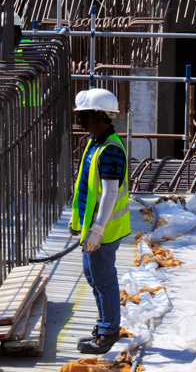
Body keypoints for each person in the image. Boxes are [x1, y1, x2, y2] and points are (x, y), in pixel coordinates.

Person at [70, 88, 131, 354]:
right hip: (94, 229)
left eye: (83, 116)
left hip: (104, 230)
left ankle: (108, 332)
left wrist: (96, 230)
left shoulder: (110, 150)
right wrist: (80, 225)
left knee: (104, 279)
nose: (79, 121)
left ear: (98, 116)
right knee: (93, 275)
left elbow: (110, 193)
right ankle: (104, 325)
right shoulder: (96, 143)